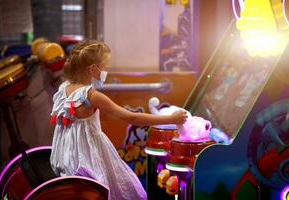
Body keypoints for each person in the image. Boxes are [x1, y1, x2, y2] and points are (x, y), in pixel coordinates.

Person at [49, 40, 188, 200]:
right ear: (93, 69)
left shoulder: (63, 89)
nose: (105, 72)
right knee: (120, 187)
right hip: (90, 156)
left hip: (67, 156)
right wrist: (170, 118)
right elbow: (131, 117)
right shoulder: (92, 96)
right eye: (105, 67)